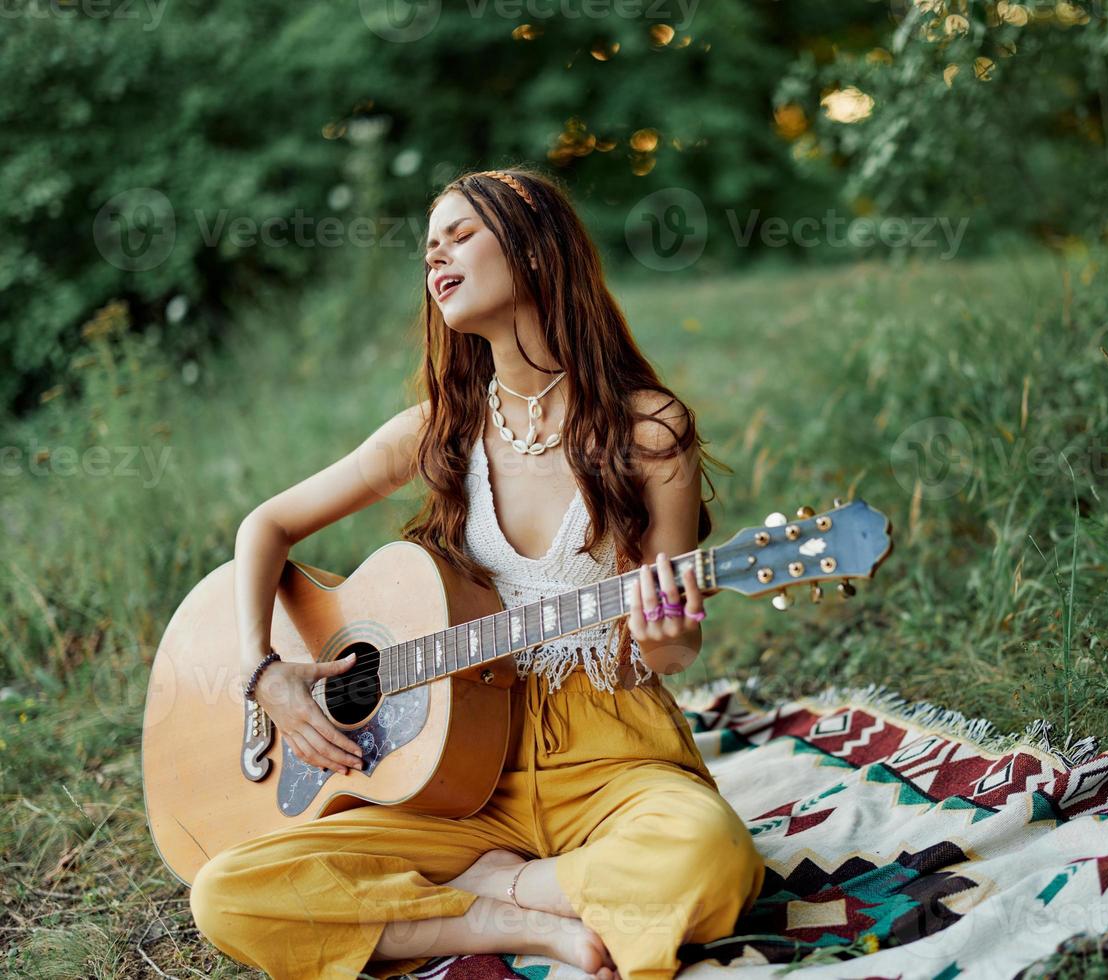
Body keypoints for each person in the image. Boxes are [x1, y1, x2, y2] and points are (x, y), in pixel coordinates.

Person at [187, 167, 765, 980]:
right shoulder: (438, 433)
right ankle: (510, 917)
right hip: (456, 776)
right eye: (429, 248)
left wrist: (670, 636)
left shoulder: (648, 429)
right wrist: (264, 672)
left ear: (534, 252)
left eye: (460, 235)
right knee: (228, 892)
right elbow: (267, 526)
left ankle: (508, 889)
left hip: (608, 755)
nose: (436, 258)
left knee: (710, 860)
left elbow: (663, 654)